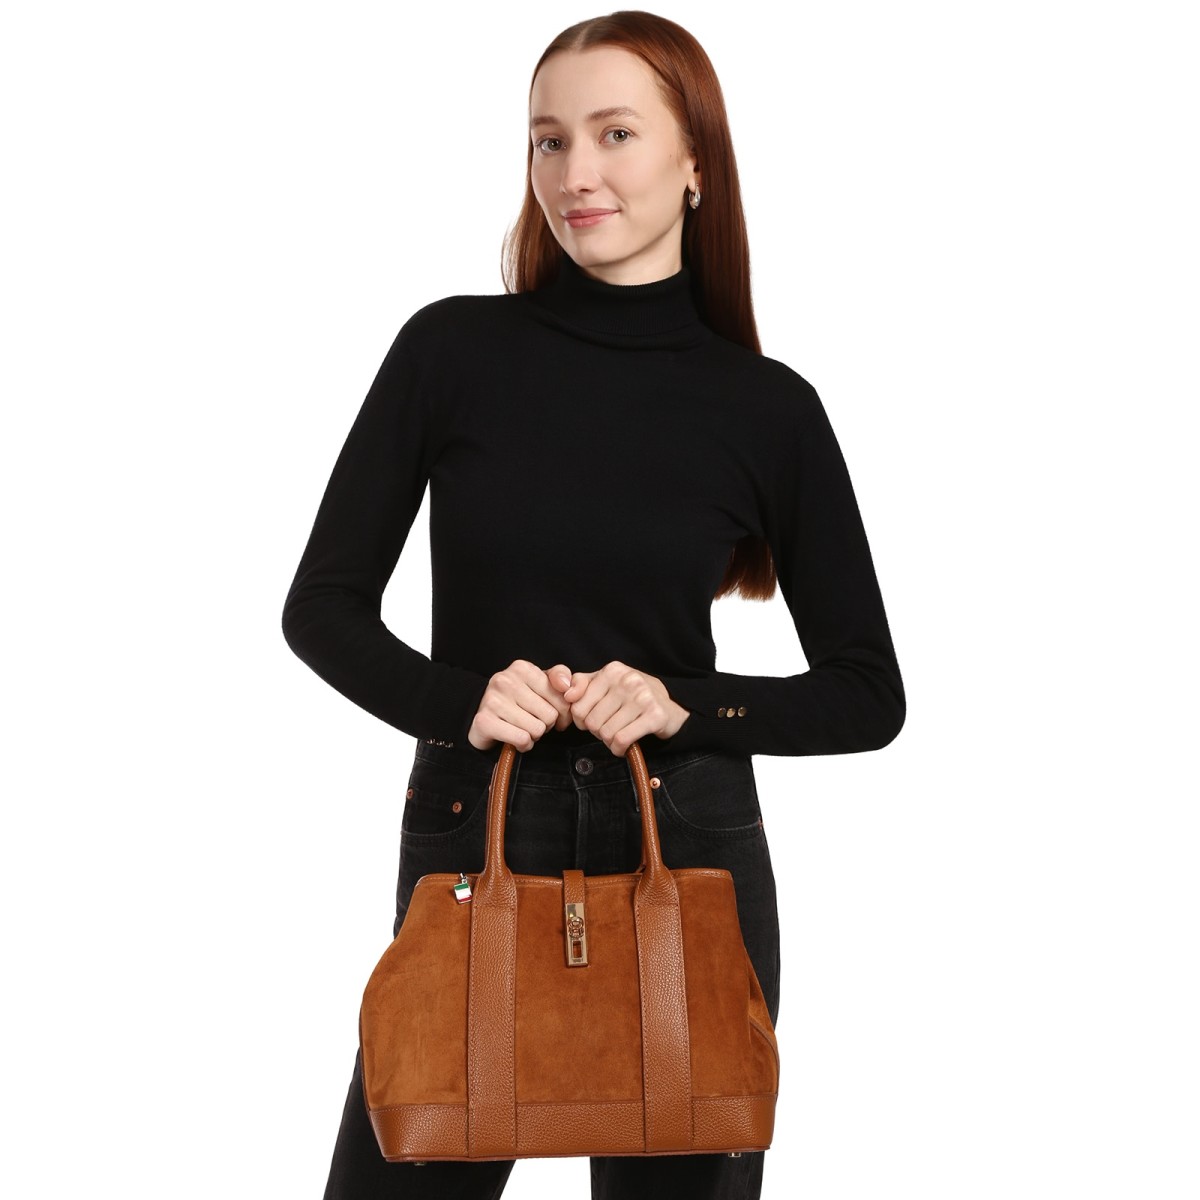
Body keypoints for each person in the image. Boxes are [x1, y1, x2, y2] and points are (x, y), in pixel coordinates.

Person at [281, 10, 905, 1199]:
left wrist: (685, 705)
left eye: (616, 133)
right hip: (479, 823)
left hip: (688, 838)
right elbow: (322, 606)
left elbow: (868, 695)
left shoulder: (768, 409)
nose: (575, 171)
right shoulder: (449, 352)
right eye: (548, 139)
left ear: (695, 162)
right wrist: (461, 701)